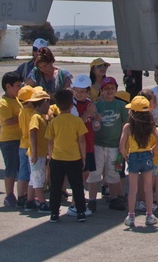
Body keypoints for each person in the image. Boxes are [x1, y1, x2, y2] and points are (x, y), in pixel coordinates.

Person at [45, 89, 88, 223]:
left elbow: (50, 140)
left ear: (57, 105)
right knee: (77, 186)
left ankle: (54, 213)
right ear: (71, 105)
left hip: (57, 158)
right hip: (74, 158)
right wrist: (83, 157)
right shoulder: (77, 121)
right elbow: (81, 140)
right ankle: (80, 212)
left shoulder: (54, 122)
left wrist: (51, 155)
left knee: (56, 187)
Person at [119, 95, 158, 229]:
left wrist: (126, 156)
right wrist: (153, 150)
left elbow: (121, 146)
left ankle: (131, 216)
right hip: (147, 155)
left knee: (133, 188)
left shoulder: (128, 127)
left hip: (133, 156)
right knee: (148, 188)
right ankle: (149, 215)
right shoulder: (150, 125)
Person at [90, 75, 127, 210]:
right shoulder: (95, 105)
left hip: (115, 146)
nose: (109, 91)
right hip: (98, 144)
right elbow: (92, 124)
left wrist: (123, 145)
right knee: (95, 172)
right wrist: (95, 119)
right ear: (102, 91)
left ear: (116, 89)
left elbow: (125, 125)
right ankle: (92, 200)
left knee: (114, 172)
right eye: (106, 89)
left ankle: (114, 198)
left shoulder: (121, 106)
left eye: (112, 88)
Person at [69, 74, 100, 214]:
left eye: (82, 91)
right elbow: (77, 124)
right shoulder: (72, 105)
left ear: (88, 92)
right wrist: (88, 113)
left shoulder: (89, 103)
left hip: (88, 143)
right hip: (78, 145)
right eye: (77, 91)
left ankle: (77, 204)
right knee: (79, 177)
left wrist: (95, 118)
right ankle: (75, 205)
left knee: (85, 174)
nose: (79, 94)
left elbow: (95, 125)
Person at [0, 72, 23, 207]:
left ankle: (22, 194)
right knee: (11, 168)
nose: (20, 88)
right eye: (18, 86)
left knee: (21, 168)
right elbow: (6, 122)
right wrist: (23, 116)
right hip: (9, 140)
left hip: (21, 138)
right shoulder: (4, 103)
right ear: (8, 86)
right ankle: (9, 195)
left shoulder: (17, 99)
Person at [25, 87, 51, 212]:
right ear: (44, 102)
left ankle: (29, 201)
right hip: (37, 154)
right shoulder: (36, 117)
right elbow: (32, 133)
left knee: (34, 178)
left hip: (40, 153)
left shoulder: (42, 116)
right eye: (48, 102)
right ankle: (42, 203)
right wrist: (35, 153)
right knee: (38, 179)